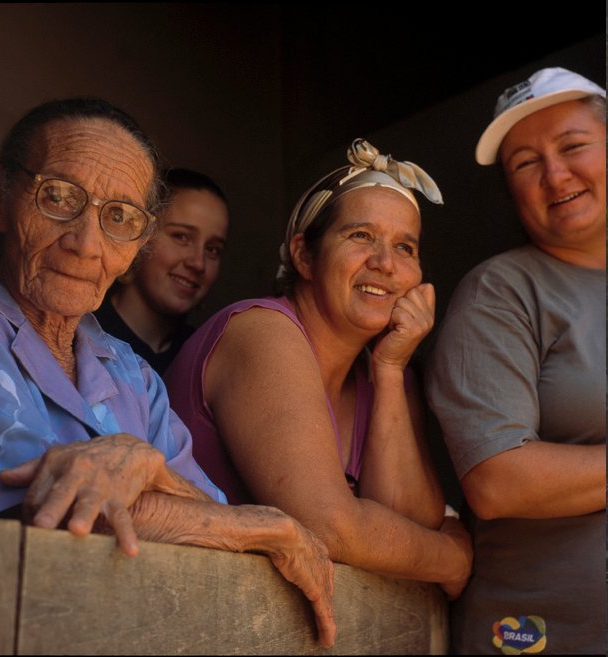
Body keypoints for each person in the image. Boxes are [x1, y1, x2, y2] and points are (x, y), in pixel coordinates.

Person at [0, 97, 336, 648]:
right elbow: (57, 507)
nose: (86, 243)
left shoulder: (134, 377)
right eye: (57, 197)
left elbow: (205, 517)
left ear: (136, 245)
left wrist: (144, 467)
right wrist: (271, 527)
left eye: (119, 217)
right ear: (1, 197)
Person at [165, 138, 473, 600]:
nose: (385, 263)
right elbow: (328, 526)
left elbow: (408, 526)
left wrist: (390, 370)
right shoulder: (262, 331)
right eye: (361, 236)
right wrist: (454, 557)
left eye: (405, 247)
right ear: (305, 255)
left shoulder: (385, 368)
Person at [424, 67, 606, 655]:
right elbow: (498, 480)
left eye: (573, 146)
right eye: (525, 163)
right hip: (545, 636)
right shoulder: (502, 291)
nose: (555, 174)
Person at [94, 167, 229, 375]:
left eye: (212, 250)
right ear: (140, 235)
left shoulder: (207, 358)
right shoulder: (81, 334)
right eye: (181, 237)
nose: (198, 263)